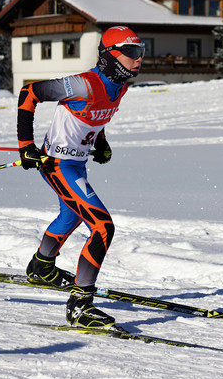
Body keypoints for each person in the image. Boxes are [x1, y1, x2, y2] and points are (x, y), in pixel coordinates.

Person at [16, 26, 145, 330]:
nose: (139, 59)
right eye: (132, 53)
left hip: (76, 163)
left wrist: (100, 144)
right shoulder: (82, 84)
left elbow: (95, 117)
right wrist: (26, 147)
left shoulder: (119, 86)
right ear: (111, 55)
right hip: (57, 163)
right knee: (102, 227)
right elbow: (30, 91)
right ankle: (80, 306)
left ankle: (41, 267)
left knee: (71, 214)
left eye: (141, 53)